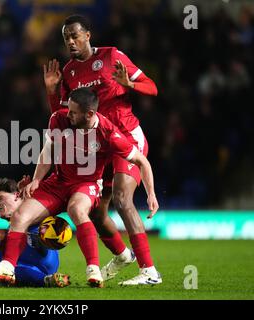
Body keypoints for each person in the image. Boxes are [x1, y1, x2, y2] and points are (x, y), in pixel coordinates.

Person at [0, 88, 159, 288]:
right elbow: (48, 151)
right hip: (58, 182)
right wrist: (37, 179)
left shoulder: (109, 133)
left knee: (77, 209)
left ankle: (93, 270)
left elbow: (142, 161)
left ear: (89, 114)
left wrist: (151, 194)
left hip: (86, 185)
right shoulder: (59, 119)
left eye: (73, 111)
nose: (68, 114)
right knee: (20, 216)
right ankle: (7, 267)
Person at [43, 14, 161, 285]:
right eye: (66, 38)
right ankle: (122, 255)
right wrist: (51, 91)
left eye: (75, 35)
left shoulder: (111, 56)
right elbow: (64, 118)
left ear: (88, 35)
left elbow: (152, 87)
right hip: (98, 146)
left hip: (125, 138)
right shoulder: (70, 71)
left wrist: (130, 84)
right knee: (97, 212)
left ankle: (149, 272)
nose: (70, 42)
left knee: (122, 198)